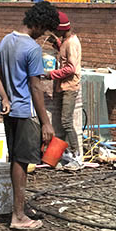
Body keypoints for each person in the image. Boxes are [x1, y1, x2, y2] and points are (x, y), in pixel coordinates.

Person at [0, 1, 60, 230]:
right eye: (44, 29)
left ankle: (18, 208)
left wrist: (4, 98)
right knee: (21, 162)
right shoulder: (32, 48)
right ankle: (18, 216)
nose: (43, 34)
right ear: (39, 23)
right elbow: (35, 87)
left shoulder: (6, 40)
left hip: (10, 110)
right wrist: (46, 122)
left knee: (15, 159)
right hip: (23, 111)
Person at [46, 11, 83, 170]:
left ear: (62, 29)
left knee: (66, 122)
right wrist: (57, 45)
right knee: (62, 122)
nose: (54, 33)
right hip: (63, 86)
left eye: (55, 30)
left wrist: (51, 74)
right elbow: (66, 56)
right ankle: (66, 154)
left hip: (70, 86)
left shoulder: (71, 43)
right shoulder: (67, 41)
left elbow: (70, 68)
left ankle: (77, 156)